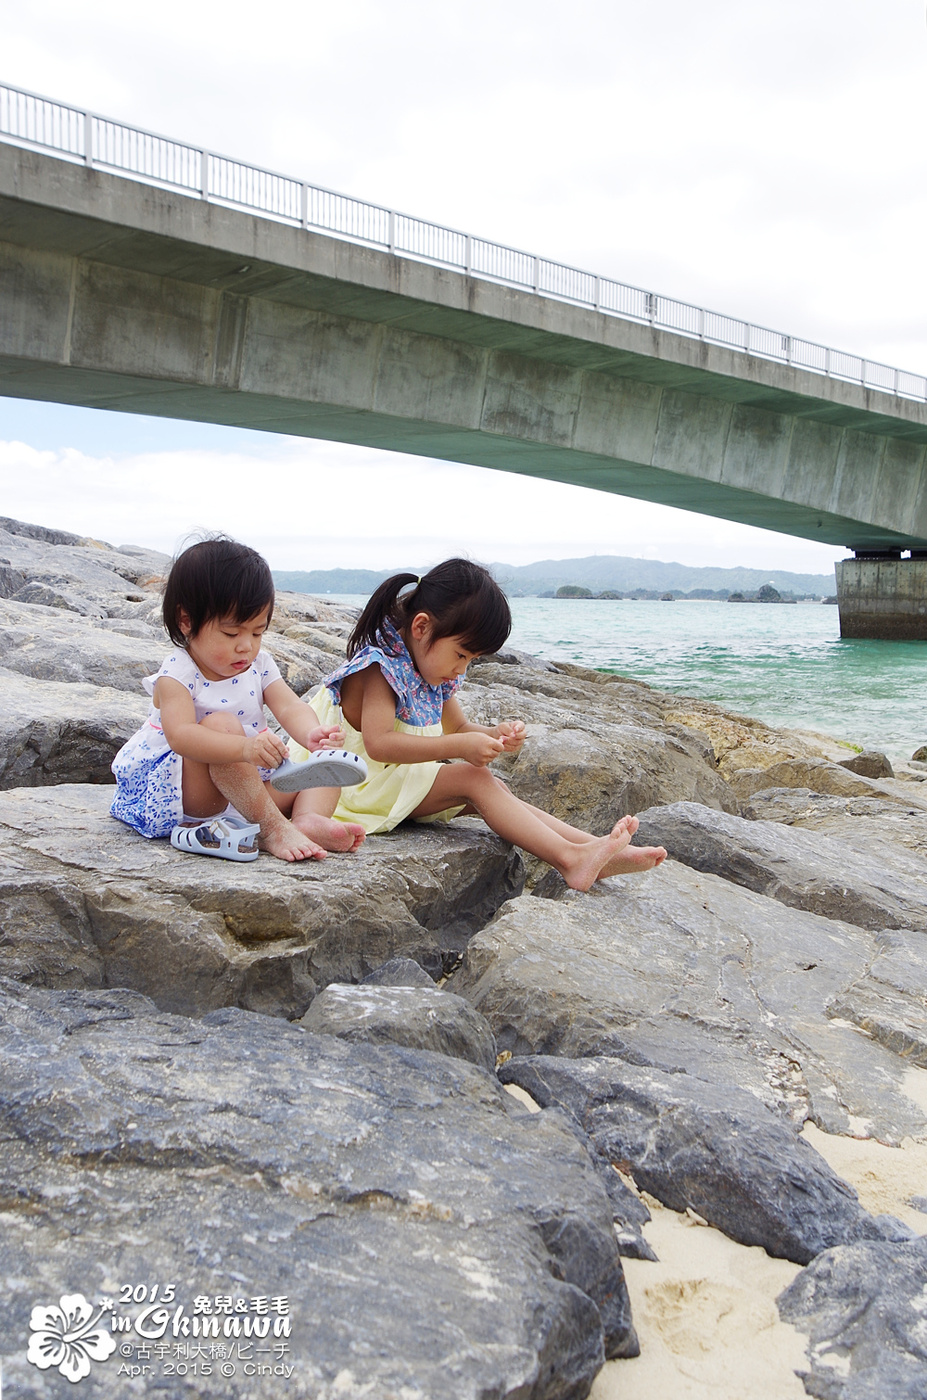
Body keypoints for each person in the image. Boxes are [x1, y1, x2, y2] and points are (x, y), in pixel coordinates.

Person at [288, 558, 667, 890]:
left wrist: (493, 735)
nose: (462, 668)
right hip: (344, 785)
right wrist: (459, 750)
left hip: (385, 779)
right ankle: (572, 859)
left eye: (471, 659)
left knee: (490, 786)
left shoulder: (431, 666)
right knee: (475, 780)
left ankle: (590, 850)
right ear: (421, 627)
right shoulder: (380, 669)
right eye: (461, 654)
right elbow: (379, 744)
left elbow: (457, 729)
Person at [110, 537, 366, 862]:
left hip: (247, 788)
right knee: (221, 725)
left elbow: (289, 706)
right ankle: (272, 828)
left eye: (257, 633)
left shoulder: (259, 665)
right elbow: (181, 735)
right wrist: (244, 748)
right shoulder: (177, 673)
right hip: (193, 794)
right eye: (232, 633)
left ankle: (308, 819)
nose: (246, 646)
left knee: (324, 766)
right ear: (186, 621)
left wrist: (311, 734)